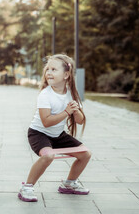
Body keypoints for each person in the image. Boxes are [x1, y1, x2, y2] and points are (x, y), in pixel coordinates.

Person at [18, 54, 91, 202]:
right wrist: (66, 112)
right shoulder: (45, 95)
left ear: (66, 75)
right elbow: (46, 122)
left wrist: (76, 111)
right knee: (48, 156)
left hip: (58, 135)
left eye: (54, 69)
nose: (49, 73)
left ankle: (69, 184)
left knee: (85, 154)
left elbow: (81, 121)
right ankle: (27, 187)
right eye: (48, 69)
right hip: (38, 133)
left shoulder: (72, 94)